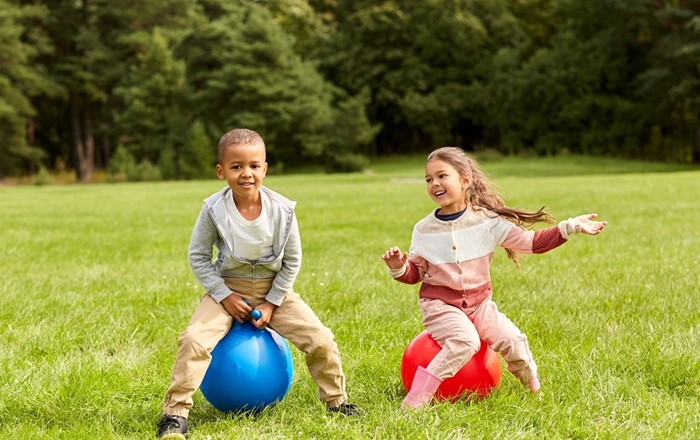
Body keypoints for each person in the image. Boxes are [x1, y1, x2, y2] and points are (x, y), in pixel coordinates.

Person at [157, 128, 360, 439]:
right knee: (194, 339)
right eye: (236, 166)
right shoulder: (213, 210)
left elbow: (292, 261)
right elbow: (198, 256)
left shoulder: (283, 210)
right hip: (228, 288)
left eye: (254, 166)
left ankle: (336, 401)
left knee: (321, 338)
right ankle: (175, 415)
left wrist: (273, 301)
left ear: (265, 168)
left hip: (273, 290)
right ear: (220, 171)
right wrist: (223, 295)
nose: (246, 174)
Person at [381, 146, 607, 409]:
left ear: (465, 180)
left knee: (513, 339)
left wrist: (570, 226)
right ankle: (417, 398)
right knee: (465, 341)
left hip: (480, 304)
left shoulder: (487, 221)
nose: (435, 184)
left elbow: (531, 243)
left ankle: (533, 388)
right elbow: (415, 274)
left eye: (442, 176)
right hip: (440, 306)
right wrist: (398, 267)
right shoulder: (424, 229)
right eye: (429, 179)